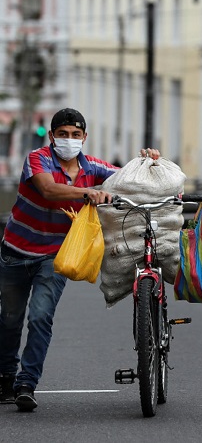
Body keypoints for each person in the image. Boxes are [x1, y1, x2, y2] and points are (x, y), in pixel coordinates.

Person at [0, 108, 159, 411]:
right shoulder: (38, 159)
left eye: (75, 135)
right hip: (15, 252)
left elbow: (128, 178)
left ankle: (26, 383)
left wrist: (149, 161)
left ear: (85, 138)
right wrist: (87, 192)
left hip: (54, 257)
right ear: (52, 136)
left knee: (40, 316)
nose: (69, 140)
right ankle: (6, 375)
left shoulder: (94, 167)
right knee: (9, 320)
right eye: (63, 134)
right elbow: (48, 189)